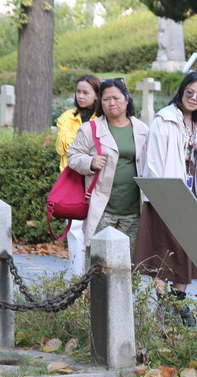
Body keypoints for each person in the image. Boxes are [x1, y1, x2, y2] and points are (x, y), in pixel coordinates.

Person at [133, 71, 197, 327]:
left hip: (191, 192)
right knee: (163, 251)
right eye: (190, 92)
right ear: (181, 91)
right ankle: (162, 299)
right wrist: (158, 195)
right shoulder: (165, 119)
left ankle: (179, 298)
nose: (194, 98)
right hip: (166, 192)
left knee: (185, 249)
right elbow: (153, 161)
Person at [67, 78, 148, 260]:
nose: (111, 103)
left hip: (134, 212)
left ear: (127, 99)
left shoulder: (142, 129)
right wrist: (90, 162)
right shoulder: (90, 129)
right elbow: (72, 156)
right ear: (100, 102)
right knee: (98, 263)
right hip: (102, 209)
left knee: (128, 265)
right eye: (106, 99)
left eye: (116, 98)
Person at [55, 74, 101, 275]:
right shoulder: (67, 117)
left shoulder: (102, 118)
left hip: (97, 181)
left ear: (96, 95)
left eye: (86, 92)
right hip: (73, 180)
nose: (81, 96)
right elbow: (63, 146)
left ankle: (94, 273)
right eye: (78, 92)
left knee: (96, 228)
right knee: (74, 229)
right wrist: (86, 141)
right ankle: (76, 275)